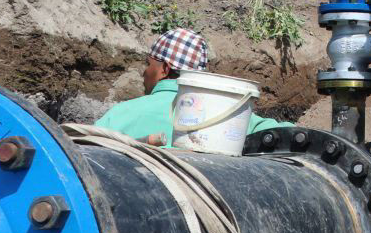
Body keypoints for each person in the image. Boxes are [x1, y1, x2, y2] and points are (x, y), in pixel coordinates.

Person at [94, 28, 292, 145]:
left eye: (149, 63)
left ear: (165, 69)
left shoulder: (119, 115)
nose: (144, 71)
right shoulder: (228, 117)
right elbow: (287, 133)